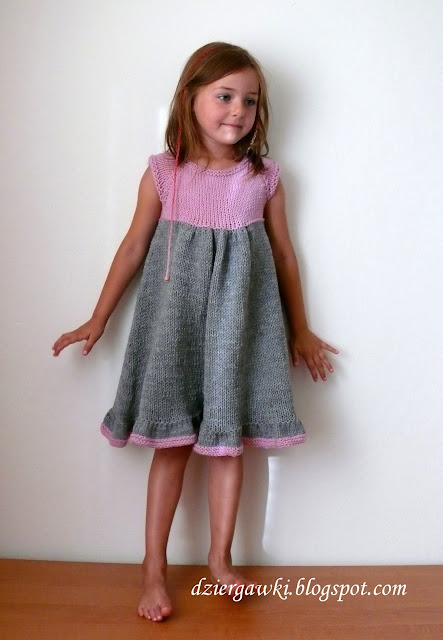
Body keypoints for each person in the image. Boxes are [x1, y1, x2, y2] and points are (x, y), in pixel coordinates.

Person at [52, 41, 338, 622]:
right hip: (174, 328)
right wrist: (98, 317)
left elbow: (285, 256)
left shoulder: (264, 178)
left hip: (238, 329)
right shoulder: (165, 173)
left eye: (250, 101)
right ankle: (153, 568)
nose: (238, 110)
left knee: (228, 446)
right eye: (225, 96)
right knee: (174, 444)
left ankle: (220, 561)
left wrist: (302, 329)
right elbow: (133, 247)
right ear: (190, 98)